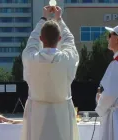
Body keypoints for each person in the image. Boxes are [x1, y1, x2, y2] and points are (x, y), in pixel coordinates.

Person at [21, 6, 79, 140]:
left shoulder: (31, 58)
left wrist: (43, 19)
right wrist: (59, 19)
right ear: (59, 39)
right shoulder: (67, 58)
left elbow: (32, 41)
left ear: (41, 39)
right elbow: (69, 41)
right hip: (62, 113)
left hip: (36, 114)